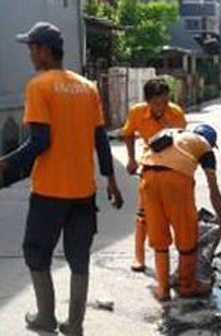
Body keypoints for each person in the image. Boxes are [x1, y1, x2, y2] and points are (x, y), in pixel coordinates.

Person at [0, 22, 123, 335]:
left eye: (31, 48)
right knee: (78, 256)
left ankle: (46, 318)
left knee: (36, 251)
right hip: (83, 190)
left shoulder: (39, 86)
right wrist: (110, 178)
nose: (29, 54)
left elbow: (41, 141)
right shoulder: (87, 86)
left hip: (50, 191)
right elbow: (100, 139)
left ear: (43, 50)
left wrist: (6, 164)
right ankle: (75, 325)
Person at [139, 125, 221, 301]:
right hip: (175, 181)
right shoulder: (204, 146)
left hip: (147, 179)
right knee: (187, 235)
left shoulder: (171, 133)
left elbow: (145, 160)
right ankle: (187, 285)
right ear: (211, 142)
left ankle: (163, 290)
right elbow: (213, 189)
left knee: (160, 239)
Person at [122, 78, 186, 272]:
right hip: (149, 167)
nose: (161, 107)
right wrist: (131, 159)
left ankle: (182, 258)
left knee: (177, 214)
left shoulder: (176, 113)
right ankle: (139, 258)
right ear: (148, 102)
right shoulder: (137, 113)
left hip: (173, 168)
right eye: (156, 104)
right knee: (143, 215)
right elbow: (128, 134)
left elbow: (184, 141)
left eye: (165, 102)